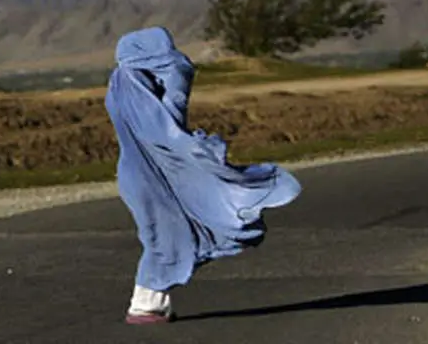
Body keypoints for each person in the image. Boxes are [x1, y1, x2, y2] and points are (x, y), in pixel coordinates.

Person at [104, 26, 302, 324]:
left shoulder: (120, 85)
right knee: (173, 234)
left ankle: (149, 303)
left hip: (137, 175)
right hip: (161, 174)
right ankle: (145, 304)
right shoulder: (153, 81)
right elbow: (172, 117)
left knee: (164, 235)